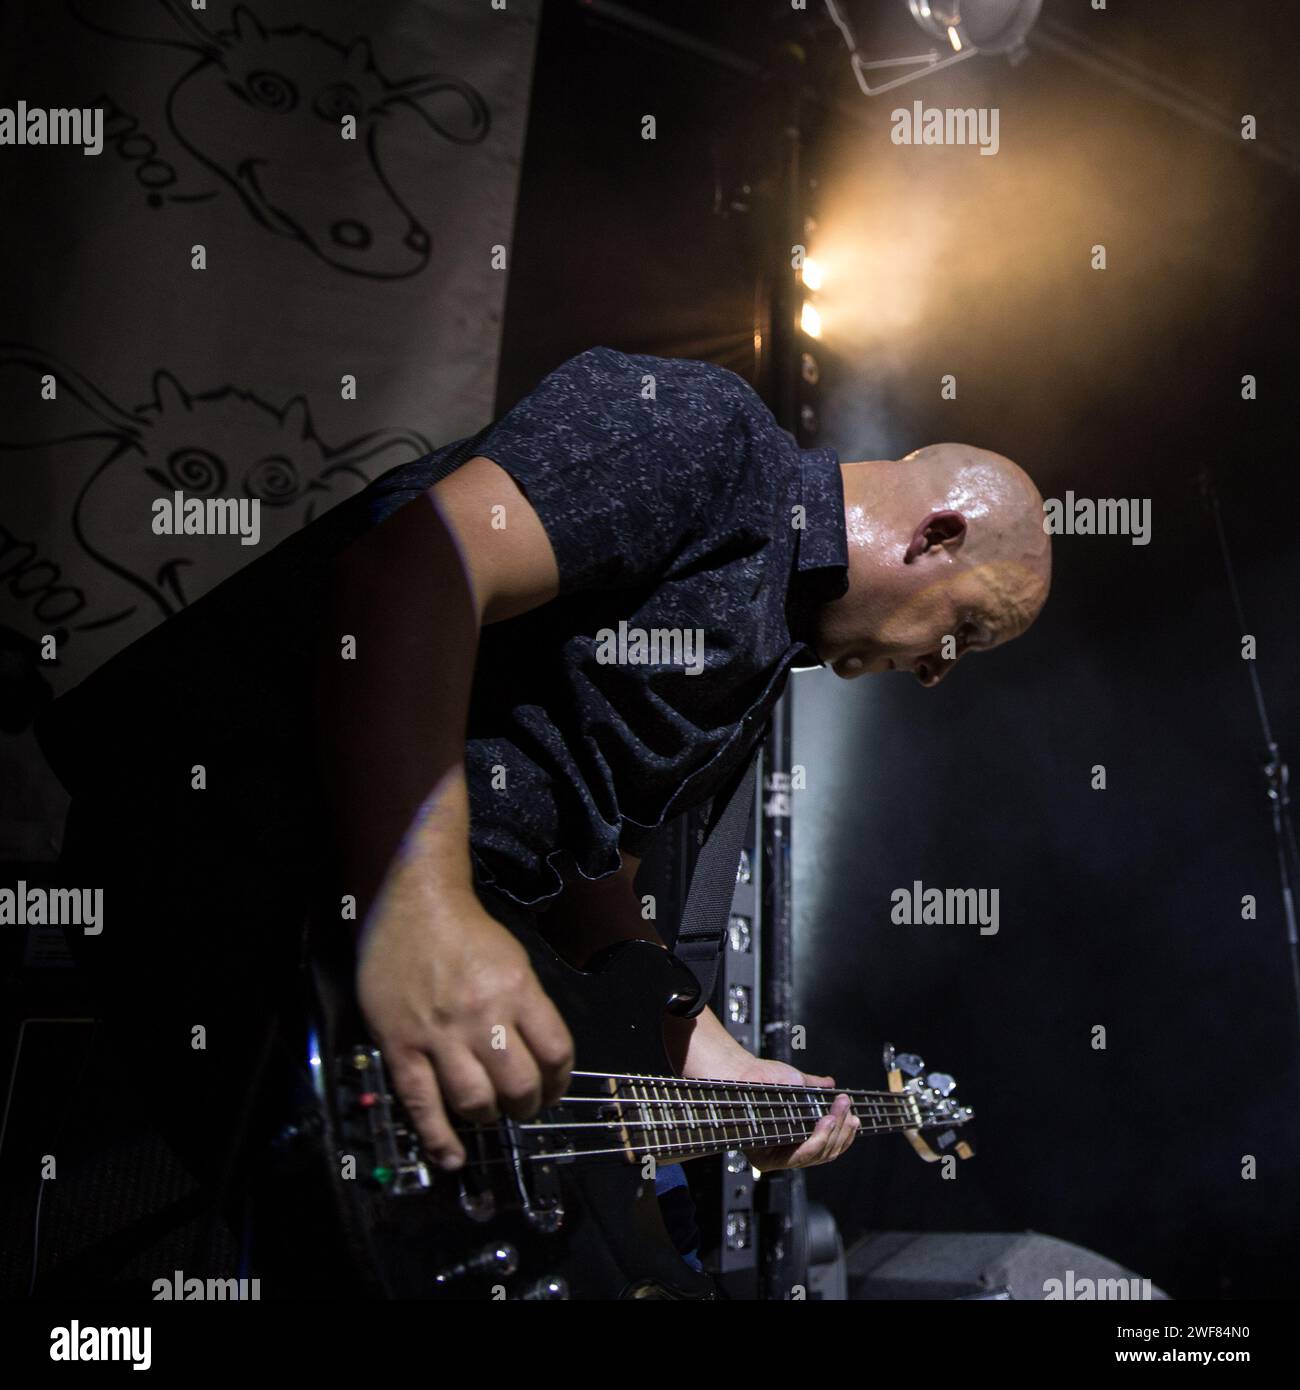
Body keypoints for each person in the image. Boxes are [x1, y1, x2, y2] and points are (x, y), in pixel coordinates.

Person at [37, 345, 1051, 1242]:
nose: (936, 671)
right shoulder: (710, 435)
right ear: (935, 537)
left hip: (371, 931)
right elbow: (416, 568)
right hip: (239, 838)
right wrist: (421, 912)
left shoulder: (761, 659)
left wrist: (708, 1054)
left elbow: (593, 866)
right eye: (961, 632)